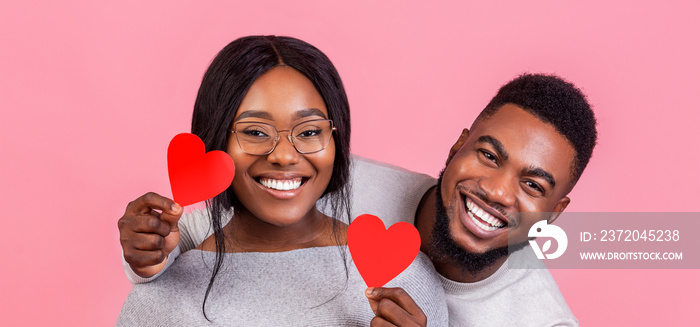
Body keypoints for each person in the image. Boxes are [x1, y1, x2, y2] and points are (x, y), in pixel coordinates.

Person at [122, 73, 595, 326]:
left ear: (554, 215)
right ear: (458, 147)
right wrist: (148, 251)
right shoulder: (343, 183)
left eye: (533, 185)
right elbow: (210, 229)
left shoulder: (540, 322)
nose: (496, 191)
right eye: (489, 156)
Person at [116, 35, 448, 326]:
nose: (285, 155)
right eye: (255, 132)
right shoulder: (162, 297)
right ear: (216, 141)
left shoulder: (405, 280)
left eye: (310, 131)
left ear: (336, 140)